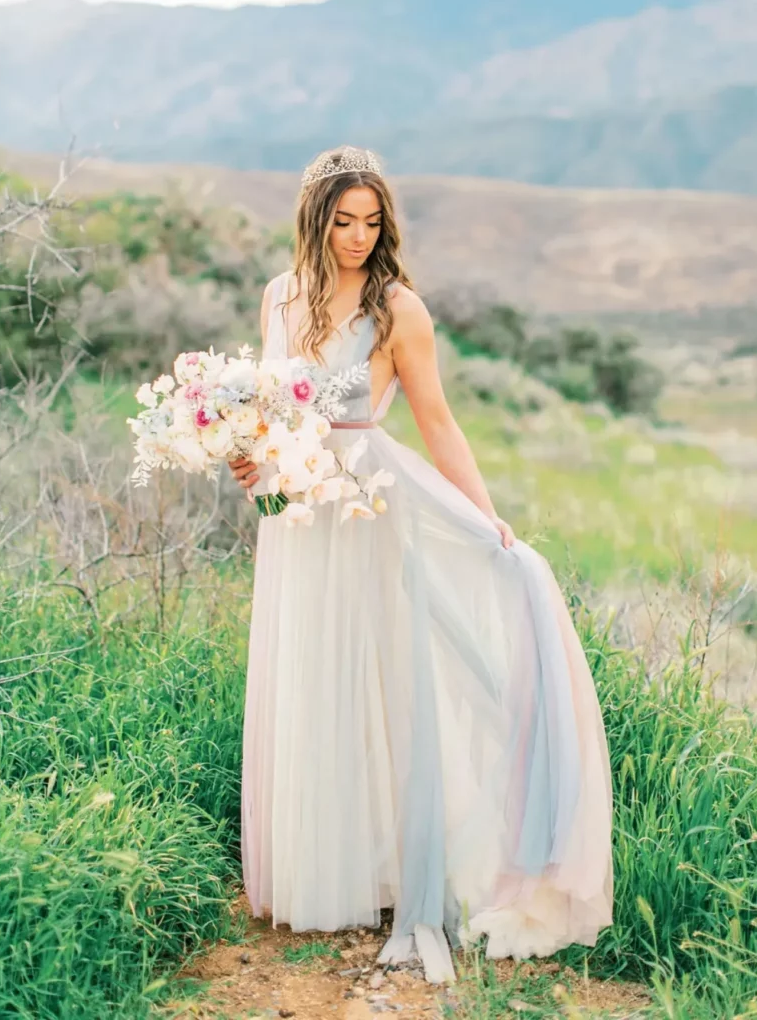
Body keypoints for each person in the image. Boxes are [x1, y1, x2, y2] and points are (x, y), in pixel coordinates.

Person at [229, 146, 613, 985]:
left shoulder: (397, 308)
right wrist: (249, 458)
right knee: (311, 676)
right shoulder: (279, 297)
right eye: (343, 221)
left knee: (382, 673)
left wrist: (486, 519)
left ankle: (409, 860)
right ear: (314, 219)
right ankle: (322, 865)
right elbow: (265, 411)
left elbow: (437, 423)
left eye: (371, 222)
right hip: (296, 513)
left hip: (369, 502)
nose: (358, 237)